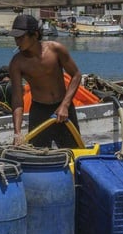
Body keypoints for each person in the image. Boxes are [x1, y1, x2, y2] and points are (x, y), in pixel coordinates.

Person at [8, 14, 83, 148]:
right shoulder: (17, 63)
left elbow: (76, 75)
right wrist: (17, 133)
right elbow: (17, 99)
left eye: (21, 37)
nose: (17, 41)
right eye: (15, 38)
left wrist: (65, 105)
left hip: (63, 108)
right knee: (38, 155)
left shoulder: (56, 50)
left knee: (73, 151)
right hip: (39, 111)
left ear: (35, 35)